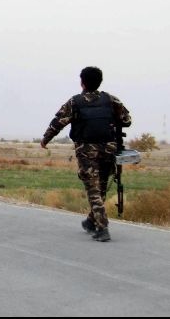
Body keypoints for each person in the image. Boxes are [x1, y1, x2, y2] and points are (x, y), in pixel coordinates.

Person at [40, 66, 131, 242]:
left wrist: (45, 140)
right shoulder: (110, 99)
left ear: (82, 83)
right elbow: (127, 120)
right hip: (108, 150)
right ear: (100, 82)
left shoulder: (75, 102)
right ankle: (91, 221)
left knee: (93, 189)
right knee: (101, 187)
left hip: (87, 151)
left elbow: (58, 122)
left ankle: (102, 228)